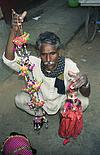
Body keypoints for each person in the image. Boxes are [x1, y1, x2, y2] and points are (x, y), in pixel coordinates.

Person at [2, 9, 90, 117]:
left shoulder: (69, 65)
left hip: (62, 101)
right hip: (39, 101)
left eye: (52, 53)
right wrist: (13, 29)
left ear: (59, 52)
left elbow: (86, 94)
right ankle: (40, 114)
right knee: (19, 99)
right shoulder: (32, 63)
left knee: (84, 102)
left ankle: (64, 112)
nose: (48, 58)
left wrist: (85, 83)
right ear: (39, 54)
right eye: (44, 54)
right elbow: (9, 58)